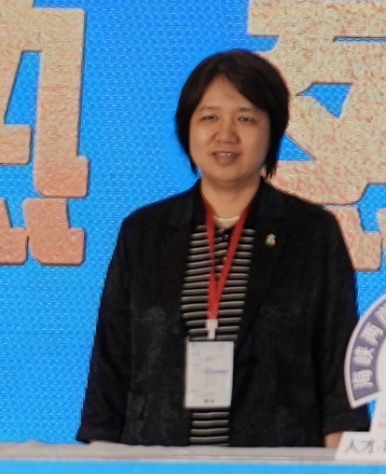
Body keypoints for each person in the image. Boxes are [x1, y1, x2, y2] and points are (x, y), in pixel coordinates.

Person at [78, 48, 362, 447]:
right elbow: (111, 364)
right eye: (209, 117)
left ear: (273, 131)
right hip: (158, 466)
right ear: (187, 128)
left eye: (246, 118)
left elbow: (339, 374)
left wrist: (340, 469)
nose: (225, 134)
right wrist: (103, 463)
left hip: (276, 469)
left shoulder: (312, 233)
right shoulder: (145, 232)